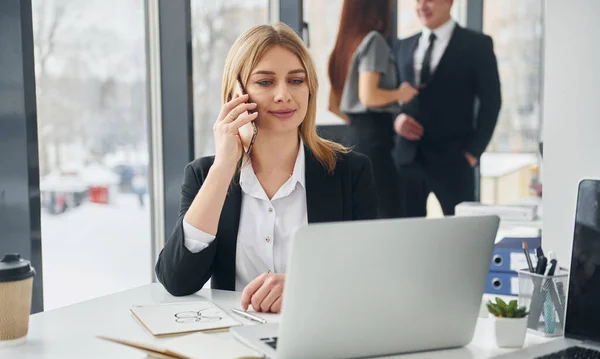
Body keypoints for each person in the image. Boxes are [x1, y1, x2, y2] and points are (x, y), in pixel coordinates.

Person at [155, 23, 379, 313]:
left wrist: (303, 284)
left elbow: (370, 273)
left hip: (321, 335)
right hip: (235, 342)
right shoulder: (204, 176)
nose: (283, 94)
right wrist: (224, 165)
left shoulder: (350, 172)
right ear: (236, 93)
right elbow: (177, 280)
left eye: (296, 81)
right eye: (265, 82)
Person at [393, 0, 501, 216]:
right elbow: (393, 95)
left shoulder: (477, 45)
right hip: (407, 160)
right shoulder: (402, 46)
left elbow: (492, 101)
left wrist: (474, 151)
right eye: (417, 1)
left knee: (462, 239)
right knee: (406, 240)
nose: (422, 6)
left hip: (455, 160)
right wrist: (397, 119)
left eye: (429, 0)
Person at [328, 0, 418, 219]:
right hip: (375, 140)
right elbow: (369, 96)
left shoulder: (345, 44)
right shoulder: (374, 41)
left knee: (364, 213)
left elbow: (333, 105)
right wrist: (400, 94)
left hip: (353, 137)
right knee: (390, 213)